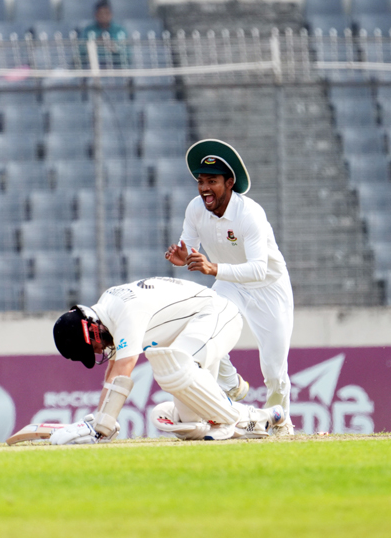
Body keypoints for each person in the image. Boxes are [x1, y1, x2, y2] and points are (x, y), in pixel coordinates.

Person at [164, 139, 296, 436]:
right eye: (200, 181)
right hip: (229, 284)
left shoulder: (250, 214)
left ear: (230, 182)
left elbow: (259, 269)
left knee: (275, 373)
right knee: (204, 328)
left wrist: (213, 268)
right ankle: (232, 385)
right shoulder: (196, 209)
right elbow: (189, 249)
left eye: (212, 181)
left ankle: (280, 424)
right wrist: (183, 257)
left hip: (269, 287)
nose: (204, 189)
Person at [50, 277, 285, 443]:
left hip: (217, 315)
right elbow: (113, 371)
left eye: (95, 348)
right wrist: (100, 418)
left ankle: (236, 418)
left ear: (89, 330)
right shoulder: (108, 309)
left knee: (173, 365)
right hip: (196, 330)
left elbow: (123, 370)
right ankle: (262, 419)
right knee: (188, 421)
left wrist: (100, 428)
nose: (100, 352)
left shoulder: (125, 312)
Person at [80, 0, 128, 68]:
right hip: (93, 67)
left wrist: (114, 48)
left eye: (106, 13)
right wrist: (95, 43)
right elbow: (80, 51)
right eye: (101, 13)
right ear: (96, 15)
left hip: (117, 67)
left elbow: (127, 53)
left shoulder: (120, 30)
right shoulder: (88, 30)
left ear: (111, 14)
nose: (104, 16)